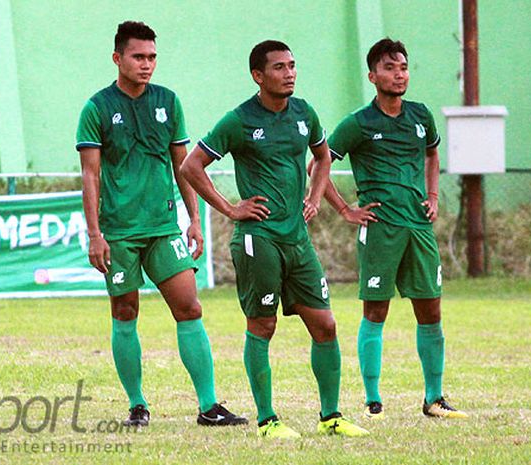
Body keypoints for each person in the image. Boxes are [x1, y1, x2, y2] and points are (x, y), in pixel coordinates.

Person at [181, 40, 369, 439]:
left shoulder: (304, 113)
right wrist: (231, 209)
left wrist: (316, 197)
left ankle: (331, 415)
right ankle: (268, 420)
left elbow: (322, 157)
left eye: (293, 65)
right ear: (258, 75)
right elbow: (190, 166)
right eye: (280, 67)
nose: (290, 73)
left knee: (326, 325)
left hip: (297, 239)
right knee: (263, 325)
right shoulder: (239, 120)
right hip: (258, 239)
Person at [75, 20, 246, 428]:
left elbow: (183, 165)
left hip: (164, 227)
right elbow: (90, 176)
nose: (146, 64)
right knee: (125, 310)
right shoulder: (96, 108)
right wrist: (95, 234)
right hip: (118, 232)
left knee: (189, 307)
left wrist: (193, 221)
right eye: (138, 57)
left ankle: (208, 406)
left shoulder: (168, 101)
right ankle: (137, 404)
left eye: (152, 57)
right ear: (118, 58)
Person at [308, 37, 468, 420]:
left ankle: (434, 397)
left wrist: (432, 193)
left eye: (403, 67)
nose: (399, 75)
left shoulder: (420, 116)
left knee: (431, 311)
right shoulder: (359, 123)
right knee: (375, 310)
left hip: (419, 227)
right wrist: (346, 208)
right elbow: (318, 166)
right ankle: (372, 398)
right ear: (373, 75)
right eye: (390, 68)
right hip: (381, 227)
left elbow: (432, 153)